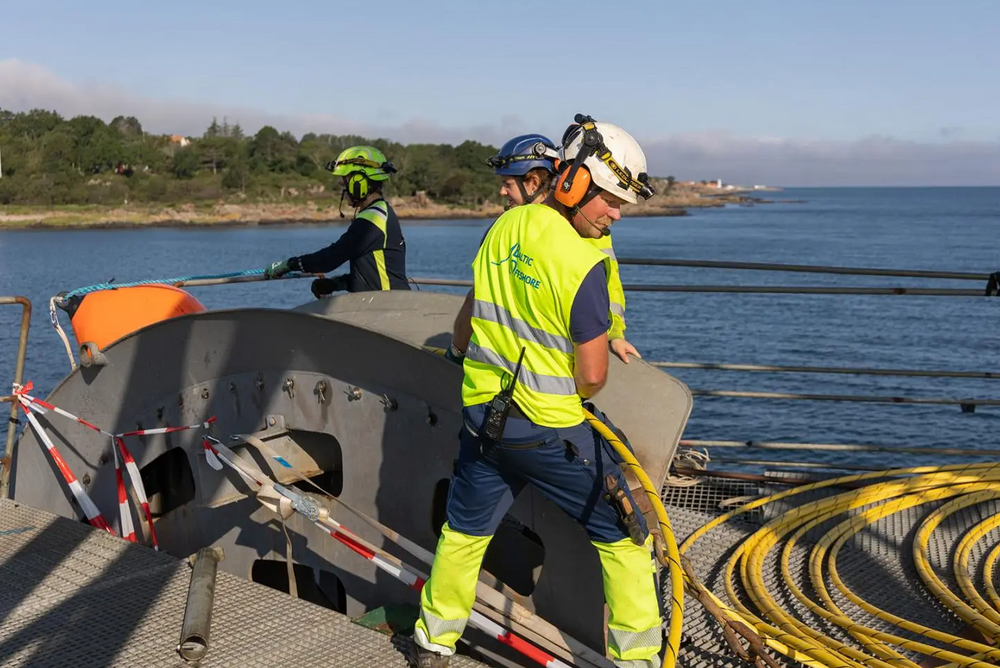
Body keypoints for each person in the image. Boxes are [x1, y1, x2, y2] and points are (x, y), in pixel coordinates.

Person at [411, 116, 661, 668]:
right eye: (610, 201)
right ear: (572, 185)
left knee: (464, 532)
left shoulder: (504, 227)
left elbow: (466, 324)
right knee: (626, 537)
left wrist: (464, 357)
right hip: (550, 432)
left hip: (483, 420)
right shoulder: (585, 261)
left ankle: (433, 641)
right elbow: (592, 376)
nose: (615, 214)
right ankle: (637, 661)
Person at [482, 133, 641, 364]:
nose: (502, 192)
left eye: (507, 184)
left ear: (534, 183)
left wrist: (615, 334)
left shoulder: (588, 228)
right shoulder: (511, 226)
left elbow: (609, 286)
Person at [263, 145, 410, 296]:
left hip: (387, 307)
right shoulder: (382, 213)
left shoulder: (372, 220)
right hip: (387, 304)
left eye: (345, 184)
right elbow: (373, 272)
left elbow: (330, 258)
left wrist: (289, 264)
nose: (344, 191)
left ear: (358, 183)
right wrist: (337, 284)